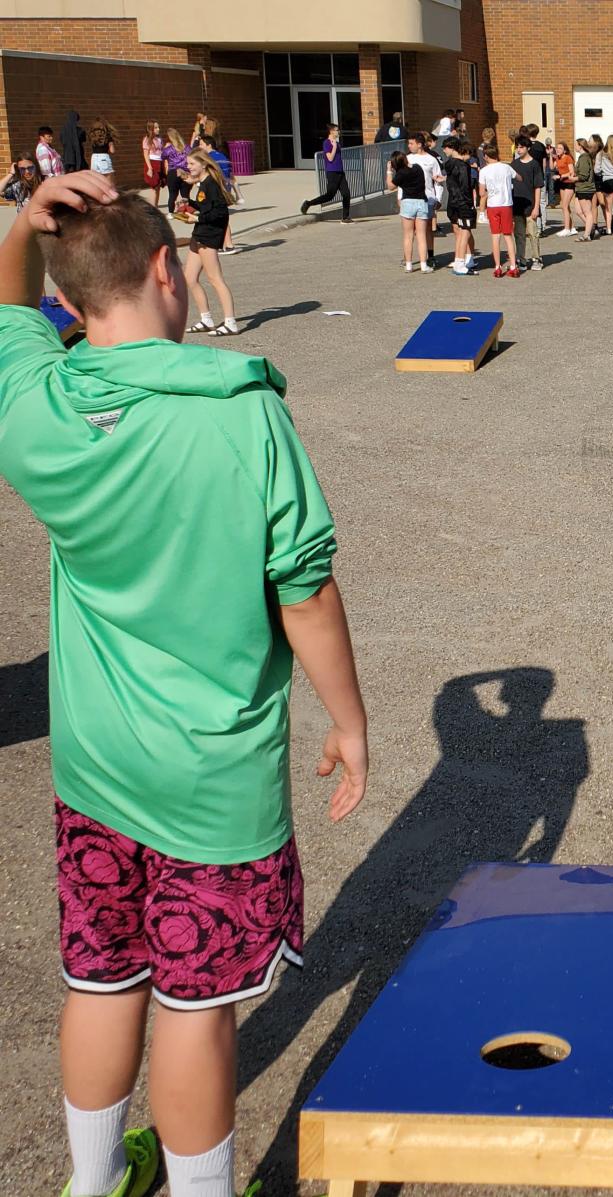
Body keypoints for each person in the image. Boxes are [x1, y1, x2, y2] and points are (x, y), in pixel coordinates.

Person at [0, 168, 368, 1197]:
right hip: (213, 782)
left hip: (96, 768)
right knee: (195, 1013)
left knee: (101, 982)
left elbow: (3, 313)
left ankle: (88, 1182)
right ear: (169, 269)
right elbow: (305, 593)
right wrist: (348, 720)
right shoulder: (242, 415)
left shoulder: (37, 404)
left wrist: (21, 223)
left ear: (68, 302)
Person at [183, 149, 239, 336]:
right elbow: (207, 207)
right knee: (190, 278)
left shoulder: (211, 184)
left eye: (191, 164)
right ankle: (206, 319)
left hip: (208, 235)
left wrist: (197, 219)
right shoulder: (203, 184)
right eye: (188, 164)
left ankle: (230, 322)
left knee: (215, 279)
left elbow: (220, 213)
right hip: (199, 233)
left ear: (204, 164)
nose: (188, 168)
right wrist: (189, 205)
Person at [386, 149, 433, 273]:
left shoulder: (400, 174)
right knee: (421, 235)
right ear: (405, 159)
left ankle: (408, 265)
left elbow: (390, 186)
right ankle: (424, 265)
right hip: (421, 202)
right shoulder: (417, 168)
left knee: (408, 236)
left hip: (407, 203)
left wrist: (389, 171)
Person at [478, 145, 520, 278]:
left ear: (485, 156)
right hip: (506, 204)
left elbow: (481, 192)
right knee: (508, 235)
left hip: (492, 205)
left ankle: (497, 267)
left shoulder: (484, 171)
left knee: (495, 236)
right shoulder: (506, 167)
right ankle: (513, 266)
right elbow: (519, 177)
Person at [300, 124, 352, 223]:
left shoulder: (337, 143)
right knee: (329, 195)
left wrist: (336, 145)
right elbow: (330, 158)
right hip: (332, 172)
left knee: (346, 194)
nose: (338, 132)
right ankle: (308, 203)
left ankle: (345, 217)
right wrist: (334, 146)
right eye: (337, 130)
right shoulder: (327, 143)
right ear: (331, 132)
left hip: (340, 172)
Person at [406, 133, 443, 265]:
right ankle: (408, 258)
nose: (409, 146)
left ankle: (430, 255)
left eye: (411, 143)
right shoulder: (407, 158)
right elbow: (402, 179)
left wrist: (438, 198)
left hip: (428, 197)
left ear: (420, 144)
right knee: (409, 230)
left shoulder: (431, 160)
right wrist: (400, 197)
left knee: (427, 228)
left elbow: (438, 181)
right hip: (410, 198)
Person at [442, 138, 478, 275]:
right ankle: (461, 264)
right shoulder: (463, 166)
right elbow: (465, 187)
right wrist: (470, 204)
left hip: (453, 202)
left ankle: (458, 261)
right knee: (465, 232)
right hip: (463, 202)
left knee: (459, 233)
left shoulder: (449, 164)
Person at [510, 135, 544, 271]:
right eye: (517, 147)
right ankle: (521, 259)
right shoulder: (514, 164)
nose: (519, 150)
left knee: (532, 233)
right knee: (519, 234)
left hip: (530, 205)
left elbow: (537, 187)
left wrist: (536, 207)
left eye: (521, 147)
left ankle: (536, 258)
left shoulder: (534, 164)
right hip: (517, 205)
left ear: (528, 148)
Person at [162, 128, 192, 216]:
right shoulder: (187, 147)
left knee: (172, 194)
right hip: (186, 172)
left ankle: (170, 213)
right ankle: (186, 211)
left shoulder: (169, 149)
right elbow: (192, 155)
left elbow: (162, 156)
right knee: (185, 194)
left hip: (173, 172)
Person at [525, 123, 549, 228]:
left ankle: (533, 225)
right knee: (542, 201)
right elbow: (544, 164)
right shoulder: (541, 146)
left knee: (532, 200)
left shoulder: (527, 146)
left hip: (529, 177)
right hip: (540, 176)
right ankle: (542, 225)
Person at [573, 138, 596, 242]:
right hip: (580, 188)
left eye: (576, 145)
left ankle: (587, 235)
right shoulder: (583, 157)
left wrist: (572, 178)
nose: (574, 146)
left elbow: (583, 175)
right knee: (578, 211)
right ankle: (590, 227)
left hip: (585, 188)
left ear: (580, 146)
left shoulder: (584, 158)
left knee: (587, 212)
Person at [554, 141, 577, 236]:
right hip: (562, 183)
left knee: (564, 206)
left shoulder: (568, 158)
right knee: (565, 206)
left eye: (560, 148)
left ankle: (567, 228)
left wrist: (561, 176)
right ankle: (572, 228)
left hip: (569, 183)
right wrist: (551, 156)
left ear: (565, 150)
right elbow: (552, 167)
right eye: (557, 148)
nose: (557, 150)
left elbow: (572, 172)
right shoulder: (558, 158)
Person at [88, 117, 117, 187]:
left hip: (94, 158)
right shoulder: (107, 136)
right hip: (104, 157)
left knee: (96, 181)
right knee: (110, 182)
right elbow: (112, 151)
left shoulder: (92, 136)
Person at [142, 120, 164, 207]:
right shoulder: (147, 139)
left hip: (160, 163)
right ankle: (152, 207)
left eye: (158, 127)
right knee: (154, 187)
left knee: (158, 187)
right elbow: (145, 154)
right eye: (156, 128)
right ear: (151, 129)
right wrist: (150, 168)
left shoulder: (159, 139)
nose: (158, 129)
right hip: (152, 163)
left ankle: (156, 206)